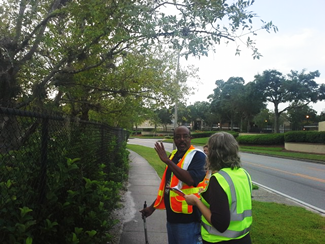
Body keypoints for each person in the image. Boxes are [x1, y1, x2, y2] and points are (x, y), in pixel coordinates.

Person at [140, 126, 207, 244]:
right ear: (174, 140)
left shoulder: (198, 156)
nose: (182, 139)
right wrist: (152, 207)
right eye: (178, 137)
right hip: (172, 218)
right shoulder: (174, 156)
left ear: (190, 138)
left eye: (185, 136)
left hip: (189, 220)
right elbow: (168, 187)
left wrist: (167, 161)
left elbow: (191, 180)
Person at [184, 132, 253, 244]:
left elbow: (220, 224)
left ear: (213, 154)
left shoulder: (219, 179)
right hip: (244, 237)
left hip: (220, 240)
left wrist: (196, 201)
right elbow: (233, 203)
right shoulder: (244, 173)